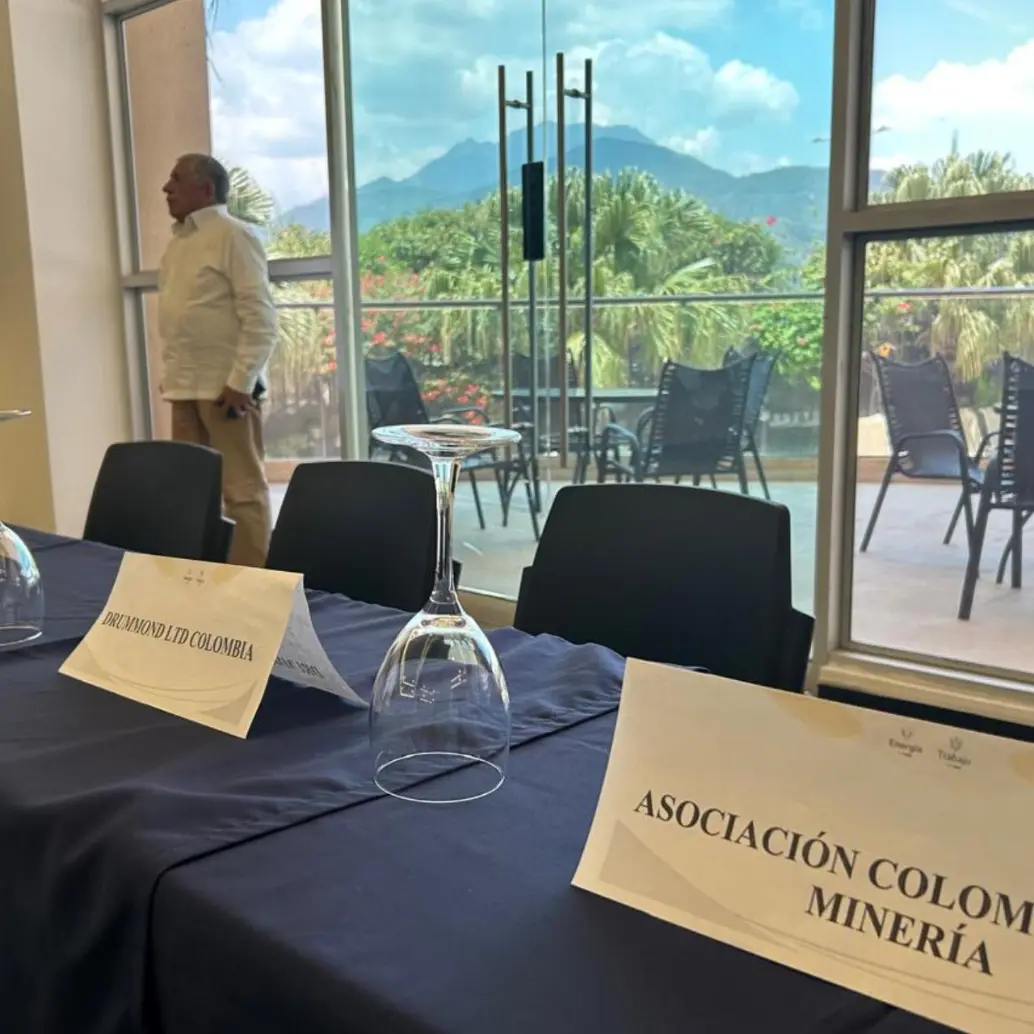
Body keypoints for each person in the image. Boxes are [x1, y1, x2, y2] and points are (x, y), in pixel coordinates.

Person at [158, 153, 276, 567]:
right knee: (191, 492)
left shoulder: (233, 235)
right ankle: (203, 581)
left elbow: (260, 316)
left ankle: (255, 585)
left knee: (242, 492)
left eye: (176, 179)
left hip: (227, 392)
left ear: (205, 189)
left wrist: (241, 382)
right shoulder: (178, 244)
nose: (166, 188)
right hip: (184, 388)